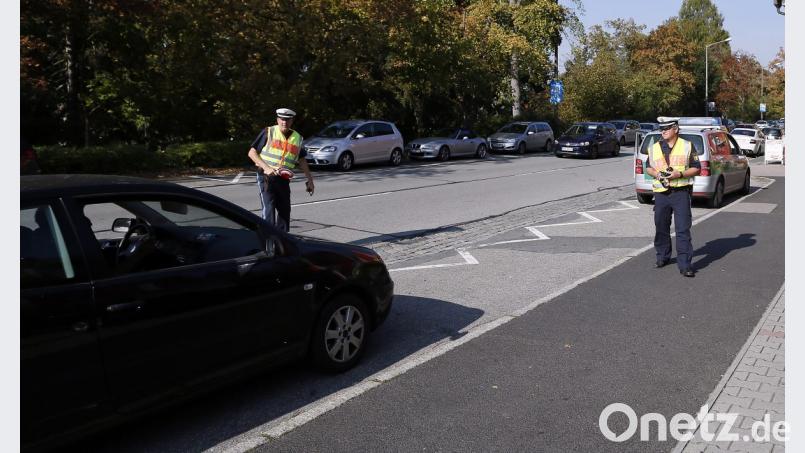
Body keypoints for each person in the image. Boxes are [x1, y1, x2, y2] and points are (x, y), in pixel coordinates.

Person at [645, 117, 701, 277]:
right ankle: (662, 257)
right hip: (661, 193)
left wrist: (679, 174)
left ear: (675, 129)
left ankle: (685, 265)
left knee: (683, 229)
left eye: (667, 128)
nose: (663, 131)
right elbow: (648, 168)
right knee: (661, 226)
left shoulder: (687, 145)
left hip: (681, 192)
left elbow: (697, 168)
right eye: (661, 128)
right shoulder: (654, 147)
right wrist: (656, 173)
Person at [247, 108, 315, 231]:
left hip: (283, 178)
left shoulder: (297, 138)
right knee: (269, 208)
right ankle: (267, 239)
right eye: (282, 119)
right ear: (277, 120)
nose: (284, 122)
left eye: (287, 120)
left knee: (285, 209)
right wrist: (267, 168)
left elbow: (302, 160)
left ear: (292, 121)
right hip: (266, 176)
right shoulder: (269, 131)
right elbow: (252, 153)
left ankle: (283, 239)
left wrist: (310, 180)